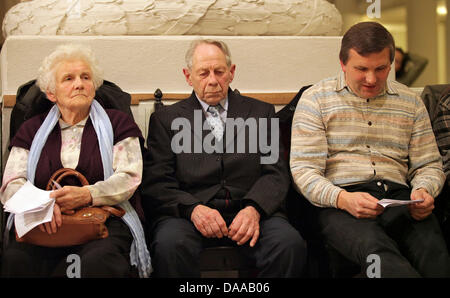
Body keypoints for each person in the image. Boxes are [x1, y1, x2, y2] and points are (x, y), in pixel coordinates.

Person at [290, 22, 450, 277]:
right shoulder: (315, 99)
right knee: (383, 261)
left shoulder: (410, 102)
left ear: (391, 64)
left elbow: (428, 164)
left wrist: (424, 190)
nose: (371, 79)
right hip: (341, 201)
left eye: (381, 69)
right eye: (361, 69)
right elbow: (304, 172)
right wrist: (342, 199)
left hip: (401, 198)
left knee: (437, 260)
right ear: (343, 64)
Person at [141, 39, 307, 277]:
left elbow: (276, 173)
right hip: (190, 213)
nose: (212, 80)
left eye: (219, 71)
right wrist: (193, 209)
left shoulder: (261, 113)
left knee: (288, 244)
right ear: (188, 76)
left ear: (231, 72)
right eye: (203, 73)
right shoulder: (165, 120)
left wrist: (254, 209)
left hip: (251, 209)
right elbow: (157, 181)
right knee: (169, 245)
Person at [0, 44, 152, 278]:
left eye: (85, 77)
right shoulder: (31, 129)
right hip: (43, 223)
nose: (79, 84)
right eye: (68, 79)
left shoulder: (118, 123)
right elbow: (11, 184)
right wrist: (43, 208)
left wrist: (87, 195)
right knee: (15, 260)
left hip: (103, 222)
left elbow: (129, 177)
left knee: (97, 262)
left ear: (93, 86)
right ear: (52, 93)